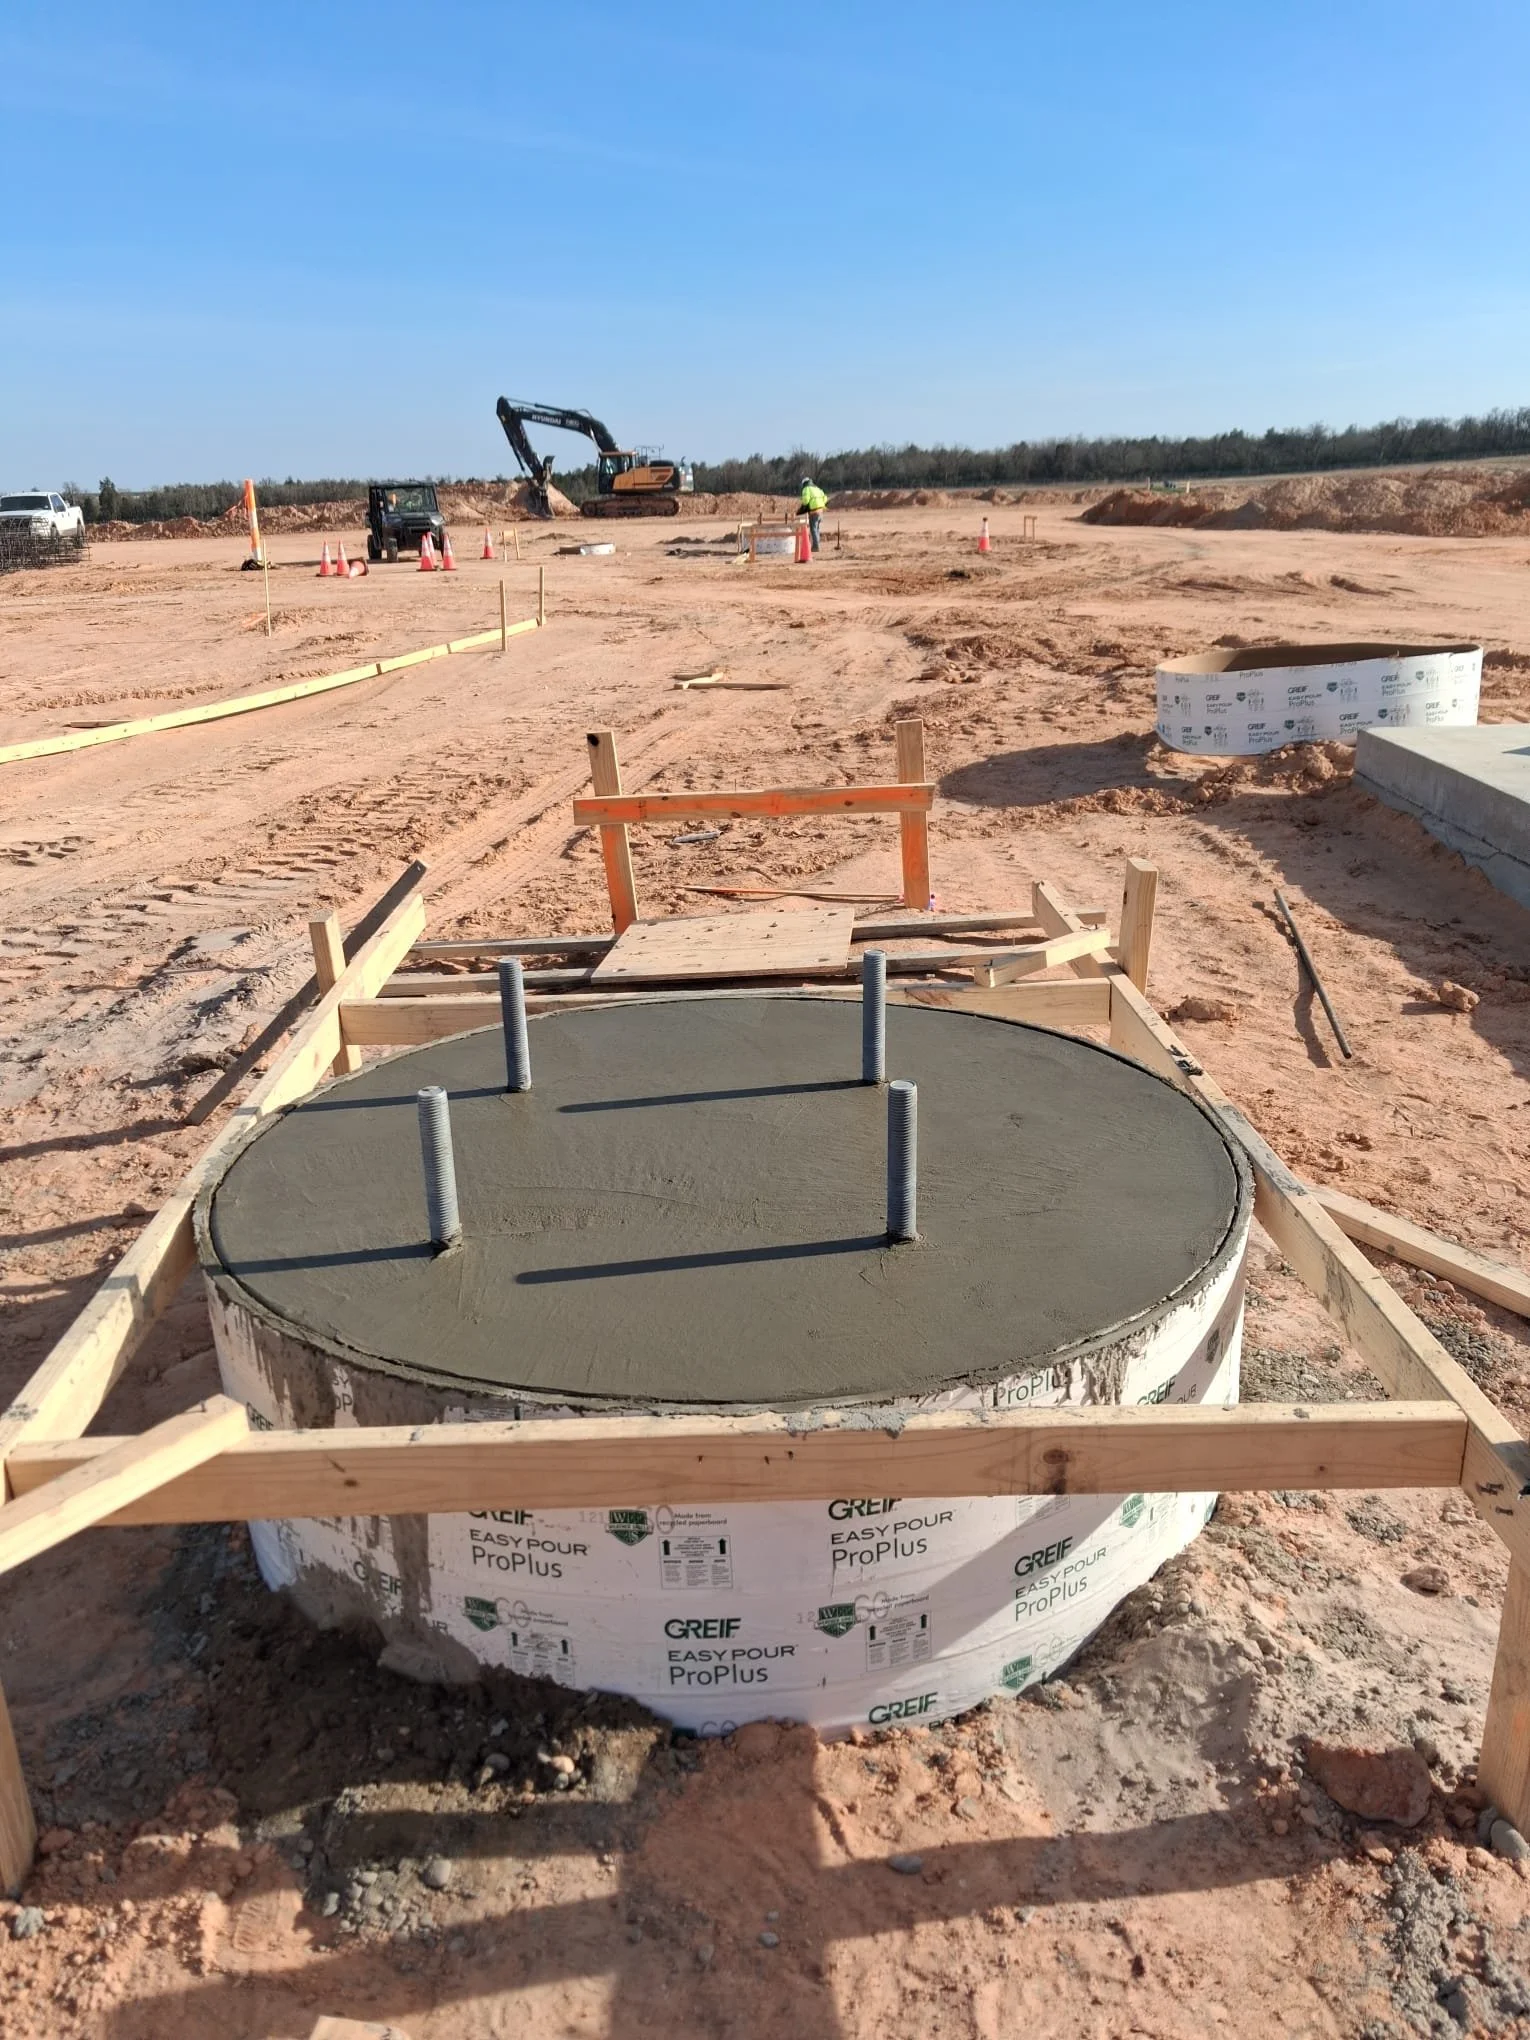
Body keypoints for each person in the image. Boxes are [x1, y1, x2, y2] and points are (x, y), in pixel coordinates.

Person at [799, 476, 828, 553]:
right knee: (817, 529)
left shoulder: (806, 489)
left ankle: (815, 547)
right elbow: (825, 497)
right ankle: (817, 544)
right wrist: (820, 503)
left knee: (813, 529)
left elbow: (805, 500)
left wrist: (804, 503)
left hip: (813, 511)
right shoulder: (817, 488)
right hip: (820, 511)